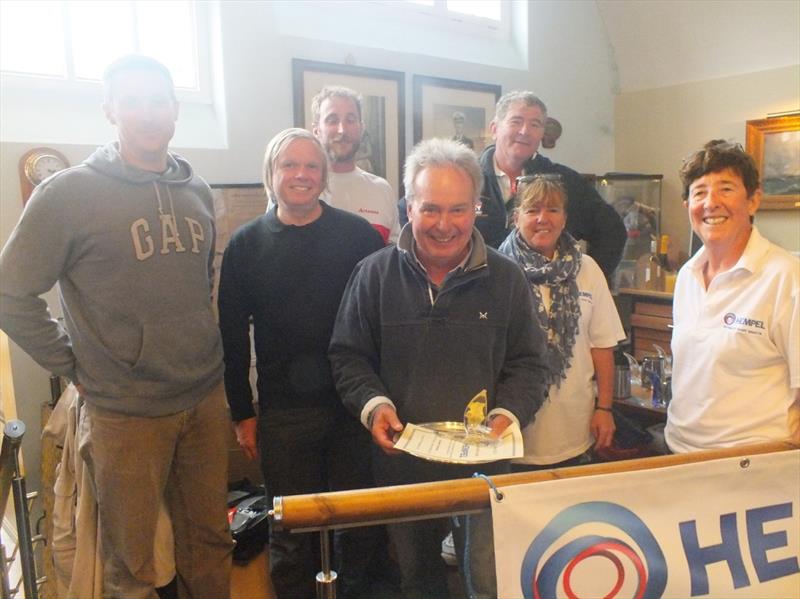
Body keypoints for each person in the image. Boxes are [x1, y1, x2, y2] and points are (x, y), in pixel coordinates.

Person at [0, 55, 232, 598]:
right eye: (132, 101)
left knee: (210, 542)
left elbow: (201, 284)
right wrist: (71, 363)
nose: (148, 114)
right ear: (109, 109)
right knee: (130, 562)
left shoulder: (195, 188)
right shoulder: (68, 195)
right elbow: (11, 292)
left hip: (202, 398)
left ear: (175, 109)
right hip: (125, 413)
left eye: (159, 101)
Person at [329, 138, 549, 598]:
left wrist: (510, 413)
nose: (444, 225)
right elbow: (348, 355)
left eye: (458, 209)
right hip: (403, 466)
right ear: (408, 207)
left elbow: (530, 364)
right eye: (430, 209)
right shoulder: (373, 274)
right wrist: (374, 406)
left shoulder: (507, 279)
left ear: (477, 209)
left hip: (484, 470)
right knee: (418, 580)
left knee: (488, 581)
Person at [217, 128, 385, 598]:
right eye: (289, 165)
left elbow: (379, 319)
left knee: (357, 528)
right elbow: (232, 337)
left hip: (353, 407)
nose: (301, 175)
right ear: (271, 174)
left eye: (312, 166)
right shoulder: (246, 245)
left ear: (324, 175)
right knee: (291, 533)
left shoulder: (357, 236)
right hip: (284, 413)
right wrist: (242, 412)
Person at [665, 140, 799, 453]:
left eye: (726, 189)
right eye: (699, 192)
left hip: (752, 469)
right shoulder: (687, 276)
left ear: (754, 201)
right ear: (688, 207)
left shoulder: (785, 277)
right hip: (678, 456)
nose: (711, 203)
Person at [499, 176, 625, 469]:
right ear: (516, 218)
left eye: (553, 210)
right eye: (532, 210)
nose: (543, 218)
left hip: (574, 430)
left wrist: (604, 408)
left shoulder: (588, 269)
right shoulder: (498, 270)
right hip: (513, 431)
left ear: (564, 218)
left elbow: (602, 345)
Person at [475, 91, 625, 277]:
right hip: (479, 298)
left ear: (542, 133)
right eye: (516, 121)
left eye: (535, 124)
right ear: (495, 129)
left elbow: (613, 231)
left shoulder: (564, 182)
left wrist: (586, 279)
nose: (525, 131)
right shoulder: (467, 180)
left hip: (547, 302)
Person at [312, 86, 400, 244]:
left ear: (361, 128)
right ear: (317, 130)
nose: (342, 130)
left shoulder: (382, 190)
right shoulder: (298, 189)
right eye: (332, 120)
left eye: (350, 120)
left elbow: (393, 257)